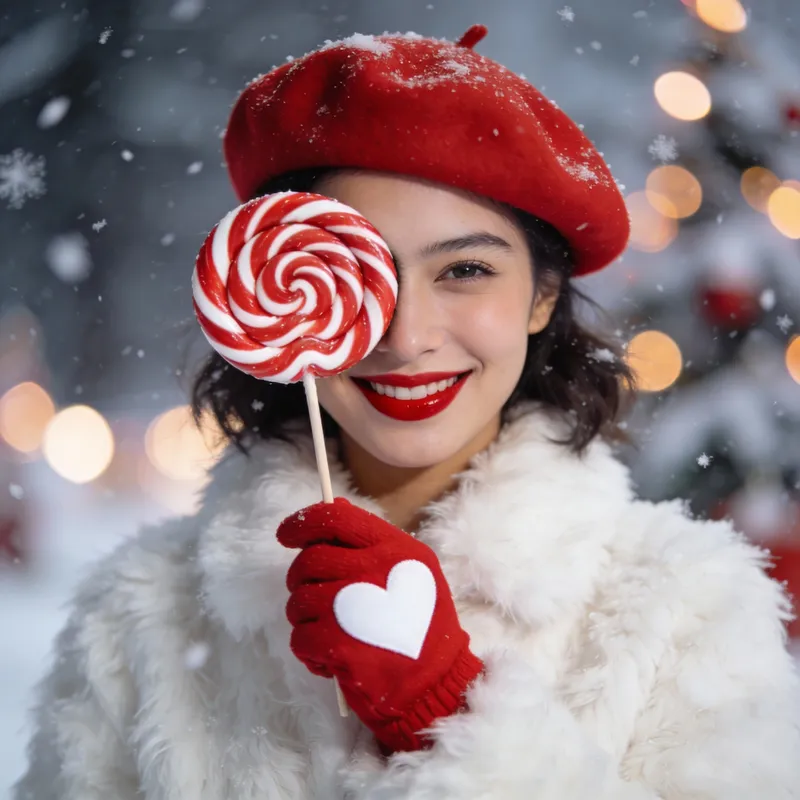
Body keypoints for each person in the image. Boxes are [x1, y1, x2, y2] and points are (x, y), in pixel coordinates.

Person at [14, 25, 800, 800]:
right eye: (360, 274)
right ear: (281, 288)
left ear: (542, 296)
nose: (406, 335)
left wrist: (446, 712)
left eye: (464, 269)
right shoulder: (140, 619)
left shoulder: (688, 608)